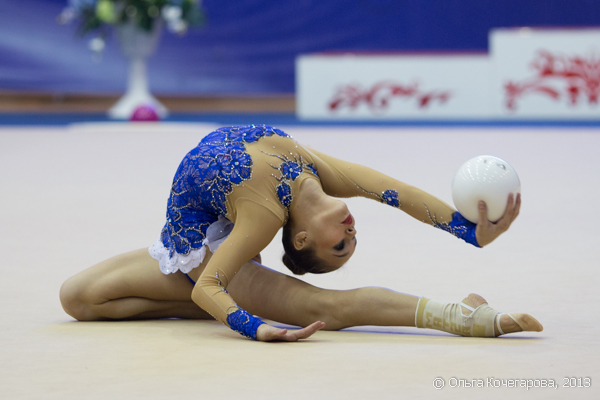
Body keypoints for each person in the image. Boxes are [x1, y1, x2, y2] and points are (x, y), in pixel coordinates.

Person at [59, 125, 542, 342]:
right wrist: (468, 231)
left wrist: (253, 327)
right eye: (349, 244)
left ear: (302, 239)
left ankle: (467, 316)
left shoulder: (265, 214)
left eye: (341, 246)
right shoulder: (313, 169)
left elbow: (210, 284)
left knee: (324, 309)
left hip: (211, 253)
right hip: (190, 248)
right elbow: (397, 190)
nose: (351, 234)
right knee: (77, 298)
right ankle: (249, 301)